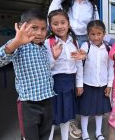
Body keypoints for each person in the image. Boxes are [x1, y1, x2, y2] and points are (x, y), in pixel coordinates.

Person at [0, 9, 54, 140]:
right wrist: (16, 43)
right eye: (34, 28)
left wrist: (55, 57)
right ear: (20, 27)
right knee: (30, 137)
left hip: (47, 100)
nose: (39, 33)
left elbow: (46, 70)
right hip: (28, 104)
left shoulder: (44, 47)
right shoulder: (18, 46)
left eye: (43, 29)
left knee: (45, 135)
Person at [47, 0, 97, 139]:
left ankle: (70, 119)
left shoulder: (93, 5)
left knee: (77, 80)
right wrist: (55, 38)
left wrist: (85, 49)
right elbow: (51, 18)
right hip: (61, 37)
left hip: (81, 42)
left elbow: (94, 29)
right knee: (57, 76)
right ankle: (53, 121)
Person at [46, 9, 84, 140]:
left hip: (69, 84)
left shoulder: (74, 42)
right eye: (55, 23)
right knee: (52, 115)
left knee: (67, 114)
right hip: (53, 84)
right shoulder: (48, 43)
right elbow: (45, 67)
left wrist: (79, 84)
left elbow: (78, 64)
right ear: (50, 26)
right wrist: (54, 58)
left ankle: (65, 137)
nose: (60, 26)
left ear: (69, 24)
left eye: (63, 22)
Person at [77, 20, 114, 140]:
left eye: (99, 34)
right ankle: (85, 133)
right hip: (87, 84)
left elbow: (110, 68)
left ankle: (98, 132)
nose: (96, 37)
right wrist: (79, 85)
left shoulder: (108, 49)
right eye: (93, 34)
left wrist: (109, 85)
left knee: (99, 111)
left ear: (104, 34)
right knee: (85, 110)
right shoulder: (85, 46)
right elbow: (79, 67)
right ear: (88, 35)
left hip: (102, 85)